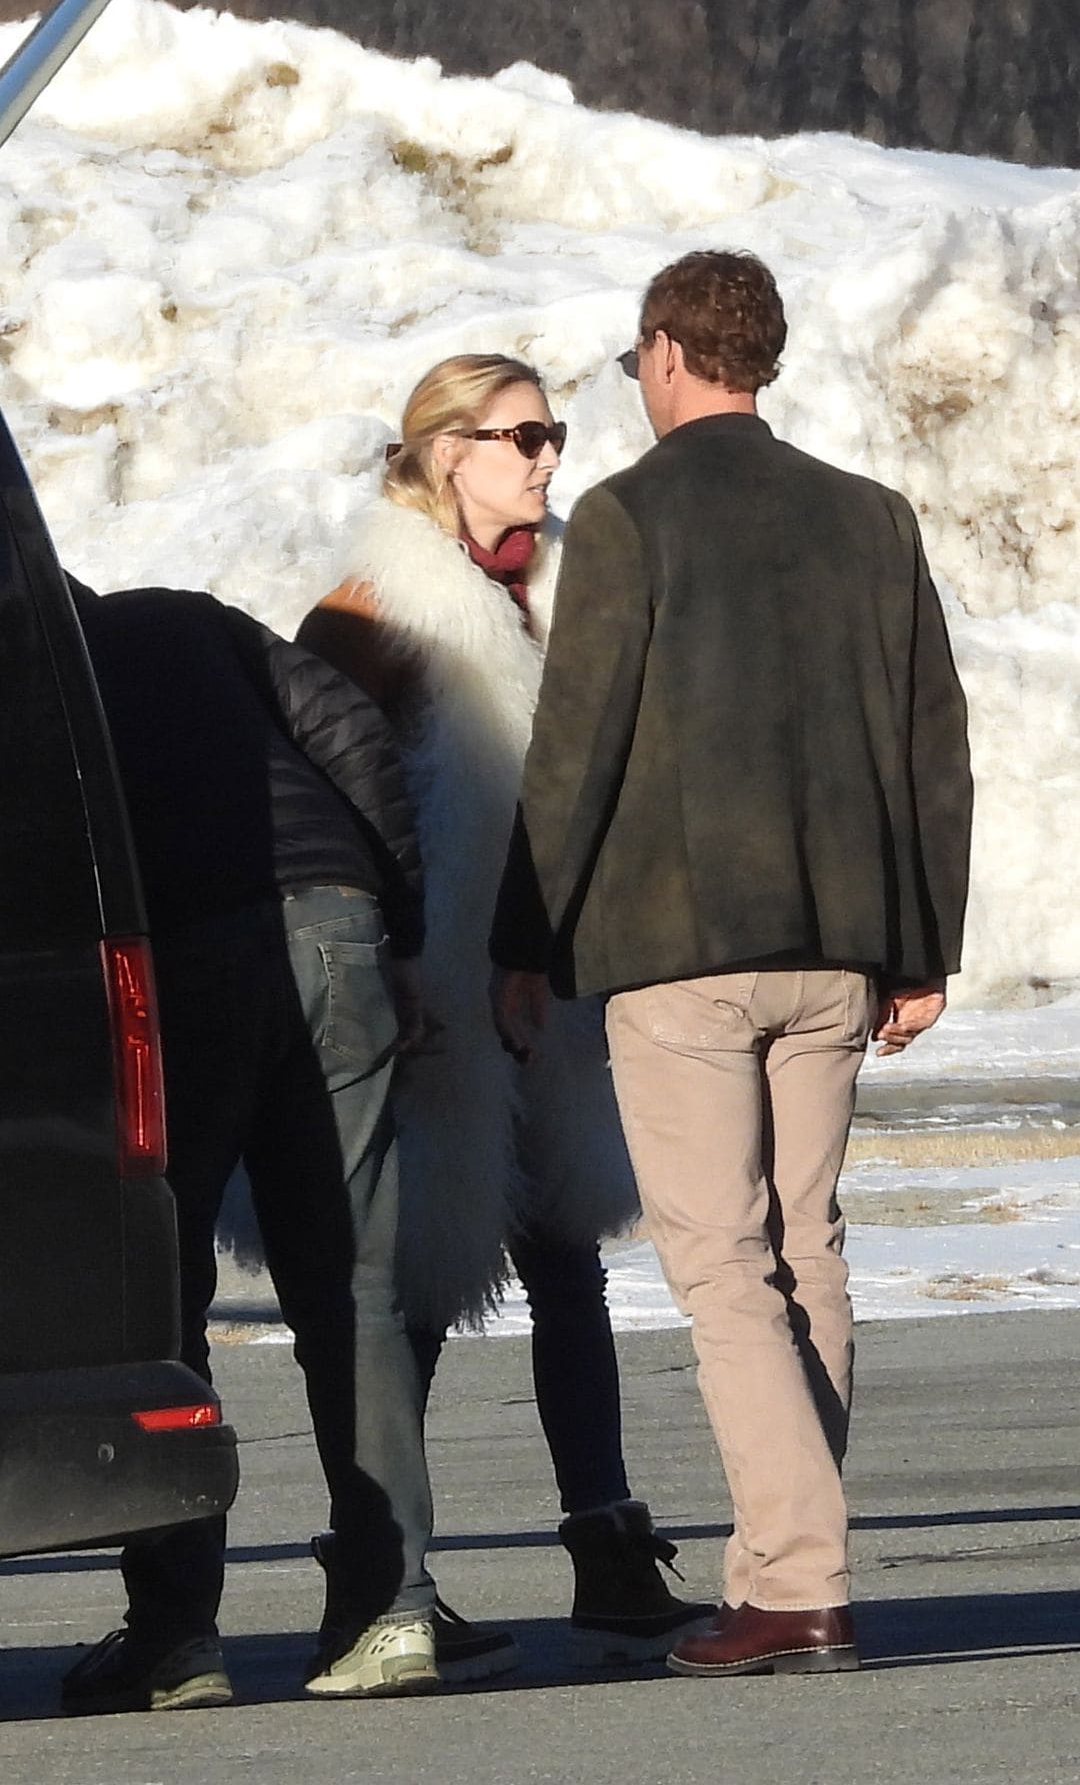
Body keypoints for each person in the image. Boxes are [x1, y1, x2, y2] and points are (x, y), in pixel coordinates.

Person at [490, 251, 973, 1679]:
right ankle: (780, 1563)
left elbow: (576, 748)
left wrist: (524, 938)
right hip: (840, 948)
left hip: (680, 949)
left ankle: (800, 1582)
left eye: (637, 362)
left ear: (665, 354)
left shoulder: (633, 519)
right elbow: (931, 741)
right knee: (804, 1247)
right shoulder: (873, 519)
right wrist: (923, 943)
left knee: (719, 1266)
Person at [296, 353, 713, 1676]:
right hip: (422, 1007)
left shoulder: (507, 606)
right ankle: (377, 1577)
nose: (544, 457)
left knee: (566, 1260)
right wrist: (393, 970)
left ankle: (605, 1540)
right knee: (412, 1281)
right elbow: (318, 812)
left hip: (528, 1002)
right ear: (439, 454)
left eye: (553, 433)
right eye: (518, 435)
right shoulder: (371, 617)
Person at [62, 581, 440, 1712]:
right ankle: (391, 1614)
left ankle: (178, 1638)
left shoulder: (40, 679)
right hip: (337, 921)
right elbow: (353, 731)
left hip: (181, 957)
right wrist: (399, 929)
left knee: (168, 1302)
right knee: (355, 1292)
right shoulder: (185, 618)